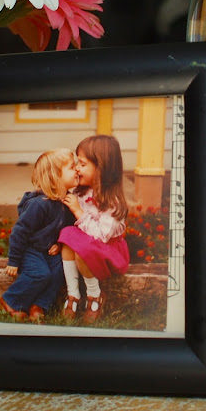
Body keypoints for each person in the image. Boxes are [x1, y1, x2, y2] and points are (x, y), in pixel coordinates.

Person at [0, 148, 79, 322]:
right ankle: (11, 300)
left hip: (47, 251)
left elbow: (66, 228)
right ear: (55, 176)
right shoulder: (40, 204)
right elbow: (20, 231)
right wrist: (14, 261)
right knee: (40, 274)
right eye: (72, 167)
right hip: (30, 250)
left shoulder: (67, 201)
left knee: (59, 269)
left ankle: (39, 305)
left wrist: (59, 244)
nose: (77, 170)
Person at [58, 134, 129, 323]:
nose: (77, 168)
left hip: (108, 251)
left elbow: (101, 235)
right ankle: (73, 294)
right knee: (67, 235)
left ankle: (94, 295)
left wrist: (78, 211)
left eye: (82, 164)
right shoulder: (80, 191)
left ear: (101, 169)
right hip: (86, 245)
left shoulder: (113, 202)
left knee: (81, 247)